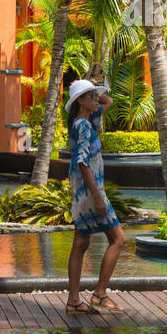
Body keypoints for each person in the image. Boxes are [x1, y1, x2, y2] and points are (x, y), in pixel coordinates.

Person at [63, 78, 125, 313]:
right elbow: (82, 162)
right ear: (80, 101)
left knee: (80, 243)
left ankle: (73, 301)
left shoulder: (87, 121)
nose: (96, 100)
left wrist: (95, 89)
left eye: (94, 96)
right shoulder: (83, 126)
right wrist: (98, 198)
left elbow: (107, 100)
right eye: (90, 97)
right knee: (118, 240)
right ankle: (99, 294)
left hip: (83, 192)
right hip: (90, 192)